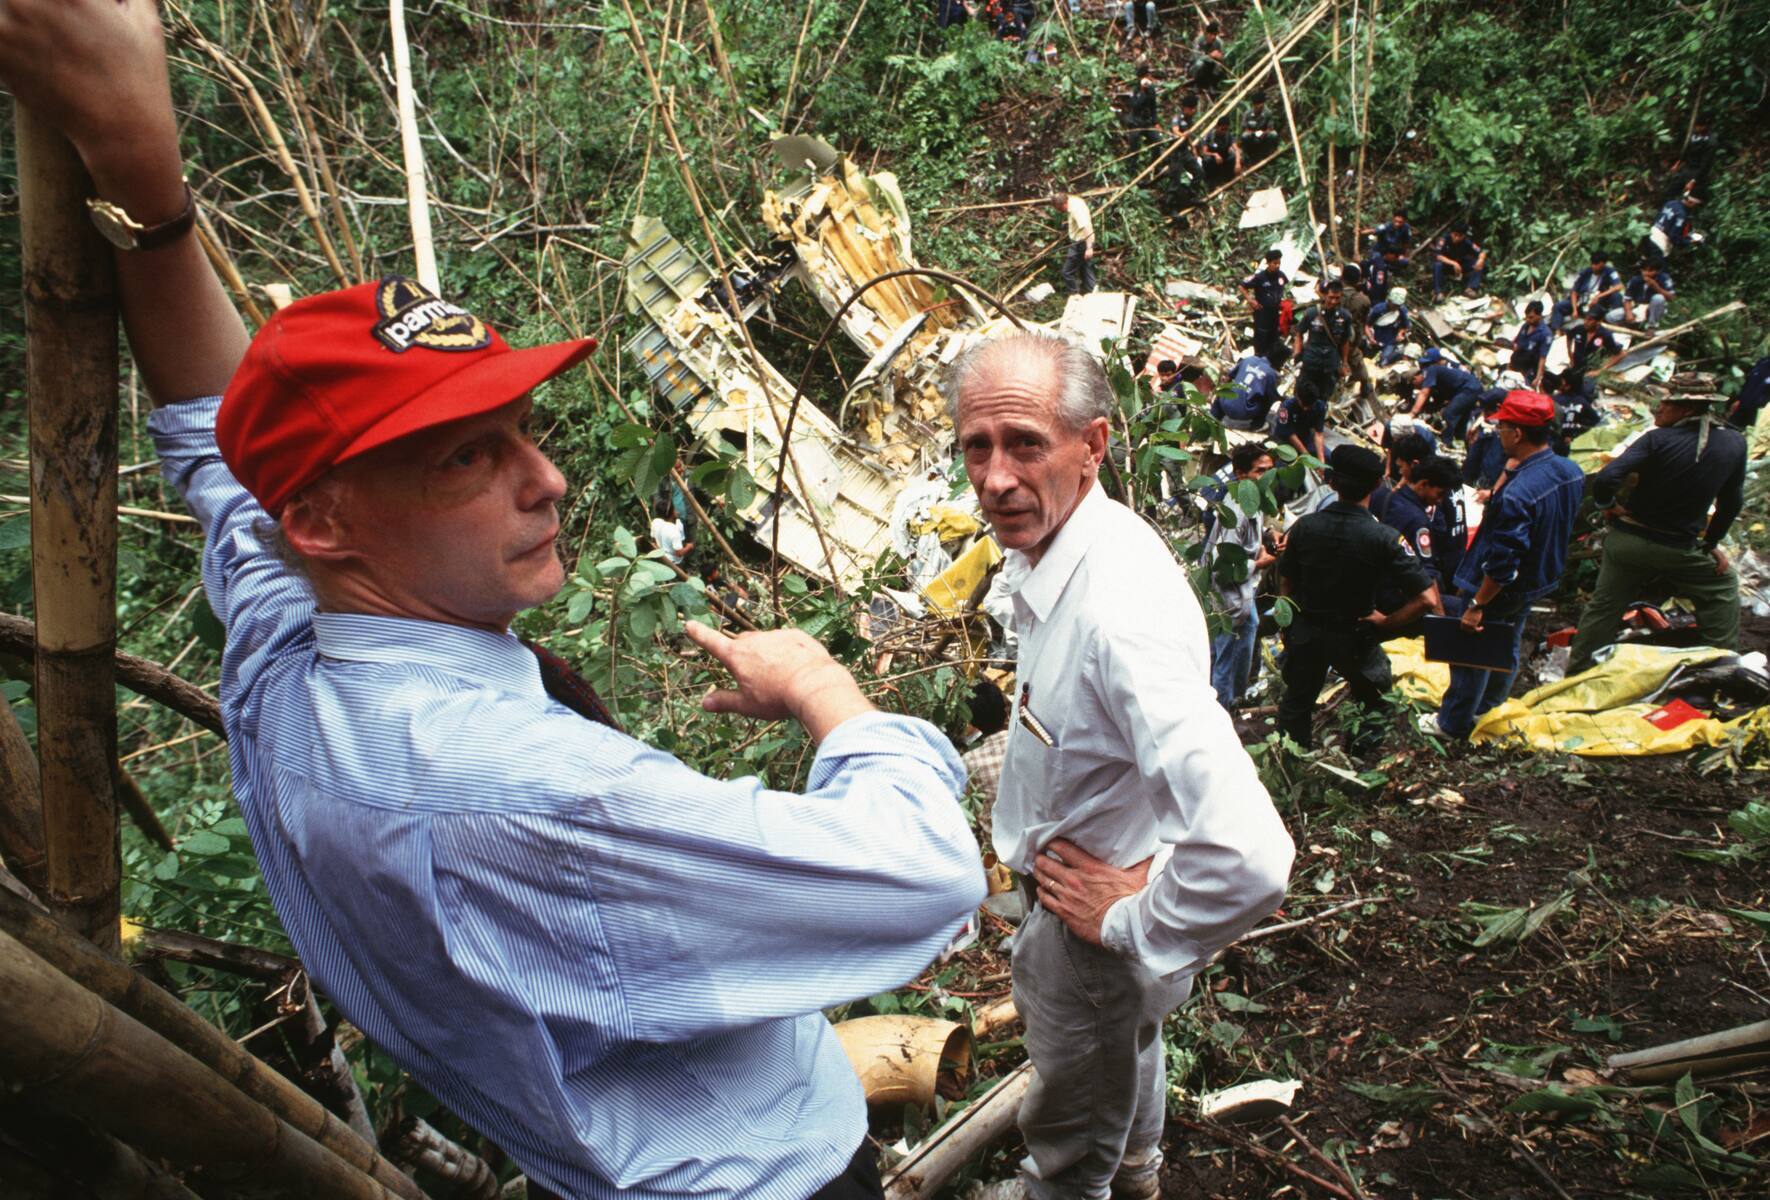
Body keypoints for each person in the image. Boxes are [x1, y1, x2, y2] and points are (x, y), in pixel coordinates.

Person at [1, 6, 990, 1199]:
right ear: (324, 520)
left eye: (523, 430)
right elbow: (921, 875)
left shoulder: (289, 659)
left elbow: (218, 450)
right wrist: (830, 690)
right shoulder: (521, 792)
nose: (549, 478)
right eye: (466, 458)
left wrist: (140, 174)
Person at [947, 331, 1293, 1200]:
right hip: (1092, 907)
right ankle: (1137, 1172)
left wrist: (1138, 924)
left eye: (1026, 443)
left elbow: (1249, 854)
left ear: (1092, 445)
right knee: (1121, 1067)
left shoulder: (1115, 613)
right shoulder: (1072, 548)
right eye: (975, 447)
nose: (994, 478)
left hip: (1093, 934)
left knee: (1069, 1132)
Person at [1423, 392, 1586, 740]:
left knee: (1471, 652)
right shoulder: (1569, 471)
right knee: (1508, 639)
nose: (1498, 433)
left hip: (1500, 586)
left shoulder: (1519, 494)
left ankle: (1453, 724)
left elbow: (1503, 561)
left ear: (1519, 434)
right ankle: (1491, 705)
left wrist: (1478, 605)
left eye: (1503, 427)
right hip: (1538, 579)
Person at [1565, 389, 1746, 675]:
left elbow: (1608, 478)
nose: (1657, 408)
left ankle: (1577, 672)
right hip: (1679, 548)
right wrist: (1710, 542)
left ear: (1687, 410)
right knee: (1721, 588)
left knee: (1604, 607)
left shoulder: (1656, 439)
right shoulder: (1735, 443)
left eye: (1666, 403)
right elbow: (1732, 502)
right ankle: (1719, 669)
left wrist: (1608, 507)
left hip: (1629, 543)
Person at [1276, 445, 1436, 752]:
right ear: (1377, 486)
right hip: (1356, 634)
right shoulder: (1384, 537)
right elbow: (1427, 598)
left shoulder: (1304, 527)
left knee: (1297, 700)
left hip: (1307, 629)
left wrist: (1288, 625)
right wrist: (1388, 622)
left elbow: (1286, 579)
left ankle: (1290, 762)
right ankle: (1359, 763)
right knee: (1375, 700)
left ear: (1331, 482)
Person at [1205, 443, 1280, 708]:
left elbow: (1251, 537)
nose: (1267, 477)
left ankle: (1235, 698)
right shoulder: (1237, 510)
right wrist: (1261, 564)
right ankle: (1223, 708)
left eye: (1270, 470)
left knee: (1244, 640)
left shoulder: (1252, 499)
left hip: (1243, 593)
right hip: (1228, 595)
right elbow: (1223, 567)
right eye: (1260, 471)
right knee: (1225, 656)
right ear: (1240, 474)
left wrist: (1268, 536)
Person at [1378, 455, 1466, 614]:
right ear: (1424, 483)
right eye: (1439, 494)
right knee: (1462, 609)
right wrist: (1440, 618)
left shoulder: (1393, 497)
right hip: (1400, 594)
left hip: (1385, 585)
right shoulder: (1418, 521)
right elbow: (1427, 574)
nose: (1440, 501)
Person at [1282, 279, 1354, 460]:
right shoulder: (1312, 313)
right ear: (1324, 295)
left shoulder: (1344, 317)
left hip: (1330, 364)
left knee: (1322, 398)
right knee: (1302, 393)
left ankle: (1314, 429)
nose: (1333, 301)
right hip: (1311, 361)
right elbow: (1299, 332)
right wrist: (1297, 353)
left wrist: (1344, 362)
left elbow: (1345, 342)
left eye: (1337, 298)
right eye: (1330, 297)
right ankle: (1294, 427)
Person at [961, 679, 1013, 812]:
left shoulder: (969, 761)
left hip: (994, 832)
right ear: (1006, 712)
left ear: (973, 722)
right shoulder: (1027, 743)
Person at [1408, 347, 1483, 439]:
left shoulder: (1433, 369)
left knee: (1449, 414)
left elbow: (1424, 393)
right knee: (1460, 417)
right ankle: (1460, 439)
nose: (1424, 368)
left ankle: (1445, 442)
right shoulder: (1443, 372)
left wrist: (1412, 413)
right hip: (1470, 388)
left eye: (1426, 364)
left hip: (1469, 389)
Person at [1212, 345, 1290, 430]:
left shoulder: (1249, 359)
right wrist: (1283, 399)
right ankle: (1256, 425)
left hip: (1225, 404)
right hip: (1242, 413)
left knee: (1223, 392)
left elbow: (1228, 378)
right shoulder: (1271, 374)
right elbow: (1272, 397)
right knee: (1267, 401)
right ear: (1280, 360)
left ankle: (1213, 416)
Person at [1550, 251, 1622, 333]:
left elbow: (1618, 286)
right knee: (1558, 306)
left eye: (1597, 264)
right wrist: (1574, 309)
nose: (1594, 266)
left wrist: (1599, 296)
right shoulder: (1586, 272)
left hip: (1599, 302)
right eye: (1593, 264)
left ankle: (1616, 323)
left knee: (1617, 296)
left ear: (1603, 264)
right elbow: (1574, 291)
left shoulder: (1610, 272)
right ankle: (1557, 331)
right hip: (1581, 301)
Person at [1240, 247, 1290, 359]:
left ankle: (1271, 359)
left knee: (1274, 335)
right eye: (1274, 263)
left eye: (1279, 263)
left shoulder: (1281, 275)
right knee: (1261, 336)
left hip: (1275, 312)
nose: (1277, 265)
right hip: (1262, 312)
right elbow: (1242, 285)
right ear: (1268, 263)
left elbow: (1283, 287)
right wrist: (1250, 300)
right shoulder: (1260, 277)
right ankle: (1258, 356)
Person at [1564, 305, 1621, 401]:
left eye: (1590, 320)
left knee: (1585, 395)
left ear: (1598, 322)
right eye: (1586, 319)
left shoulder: (1605, 335)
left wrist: (1601, 370)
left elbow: (1620, 354)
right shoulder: (1579, 329)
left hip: (1591, 371)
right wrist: (1570, 354)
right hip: (1576, 367)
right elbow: (1569, 337)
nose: (1586, 322)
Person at [1339, 264, 1376, 403]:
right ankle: (1365, 384)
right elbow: (1363, 321)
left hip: (1332, 337)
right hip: (1351, 339)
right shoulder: (1364, 300)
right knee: (1355, 357)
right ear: (1358, 280)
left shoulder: (1334, 294)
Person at [1646, 183, 1701, 263]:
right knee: (1658, 271)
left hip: (1651, 236)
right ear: (1690, 202)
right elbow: (1674, 237)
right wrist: (1689, 241)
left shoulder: (1670, 203)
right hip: (1660, 243)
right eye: (1695, 205)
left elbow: (1657, 217)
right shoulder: (1681, 214)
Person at [1503, 300, 1552, 390]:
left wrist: (1538, 378)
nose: (1528, 320)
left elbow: (1542, 357)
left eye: (1531, 317)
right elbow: (1516, 346)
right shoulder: (1525, 326)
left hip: (1530, 369)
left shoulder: (1545, 334)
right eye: (1527, 317)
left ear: (1539, 316)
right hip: (1517, 363)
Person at [1431, 225, 1488, 300]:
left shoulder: (1467, 241)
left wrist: (1481, 260)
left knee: (1477, 263)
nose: (1457, 238)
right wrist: (1454, 263)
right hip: (1446, 265)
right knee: (1437, 265)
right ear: (1451, 233)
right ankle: (1438, 292)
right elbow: (1439, 256)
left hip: (1461, 265)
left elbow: (1481, 252)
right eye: (1455, 235)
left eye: (1460, 236)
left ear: (1464, 236)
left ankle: (1470, 288)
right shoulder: (1444, 239)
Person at [1055, 191, 1095, 295]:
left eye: (1059, 208)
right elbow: (1082, 220)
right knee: (1085, 268)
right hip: (1082, 241)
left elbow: (1086, 227)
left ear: (1063, 204)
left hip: (1080, 242)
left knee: (1067, 272)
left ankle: (1074, 295)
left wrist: (1089, 248)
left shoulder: (1075, 209)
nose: (1059, 211)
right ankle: (1091, 292)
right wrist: (1070, 223)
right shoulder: (1074, 200)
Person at [1617, 259, 1674, 331]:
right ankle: (1633, 326)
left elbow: (1671, 297)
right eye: (1644, 270)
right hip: (1638, 307)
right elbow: (1627, 298)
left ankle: (1651, 326)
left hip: (1656, 308)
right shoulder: (1635, 279)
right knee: (1612, 316)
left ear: (1657, 271)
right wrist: (1629, 312)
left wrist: (1656, 286)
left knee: (1658, 298)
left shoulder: (1664, 278)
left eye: (1650, 271)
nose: (1646, 273)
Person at [1119, 69, 1161, 164]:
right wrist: (1143, 92)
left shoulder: (1151, 89)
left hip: (1147, 122)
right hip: (1136, 122)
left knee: (1158, 141)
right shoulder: (1136, 89)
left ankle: (1155, 165)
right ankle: (1132, 168)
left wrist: (1156, 122)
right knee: (1135, 147)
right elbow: (1135, 105)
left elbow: (1153, 107)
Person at [1366, 286, 1411, 367]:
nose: (1396, 307)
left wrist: (1400, 333)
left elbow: (1405, 326)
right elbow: (1367, 325)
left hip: (1390, 341)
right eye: (1394, 305)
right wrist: (1370, 338)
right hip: (1375, 340)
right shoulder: (1378, 309)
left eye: (1398, 305)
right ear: (1389, 300)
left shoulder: (1402, 311)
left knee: (1384, 361)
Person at [1729, 355, 1770, 428]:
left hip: (1761, 416)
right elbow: (1749, 383)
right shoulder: (1763, 362)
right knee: (1729, 431)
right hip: (1743, 407)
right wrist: (1739, 400)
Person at [1199, 116, 1242, 183]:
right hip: (1213, 159)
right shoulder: (1209, 136)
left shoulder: (1228, 136)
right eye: (1222, 129)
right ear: (1217, 127)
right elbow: (1204, 152)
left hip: (1224, 157)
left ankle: (1230, 178)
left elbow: (1236, 149)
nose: (1224, 132)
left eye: (1226, 129)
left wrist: (1237, 163)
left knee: (1234, 156)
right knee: (1207, 160)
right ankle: (1210, 180)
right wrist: (1214, 154)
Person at [1240, 91, 1281, 161]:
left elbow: (1270, 128)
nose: (1261, 106)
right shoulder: (1247, 114)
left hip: (1264, 135)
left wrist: (1264, 133)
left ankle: (1271, 153)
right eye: (1259, 104)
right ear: (1254, 105)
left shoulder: (1268, 113)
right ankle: (1246, 155)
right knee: (1244, 136)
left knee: (1273, 134)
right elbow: (1244, 129)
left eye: (1262, 103)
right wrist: (1254, 133)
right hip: (1252, 135)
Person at [649, 498, 692, 564]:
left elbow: (653, 541)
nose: (676, 511)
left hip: (661, 558)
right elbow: (679, 553)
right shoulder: (674, 529)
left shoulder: (655, 522)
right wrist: (689, 546)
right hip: (674, 562)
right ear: (672, 513)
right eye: (674, 509)